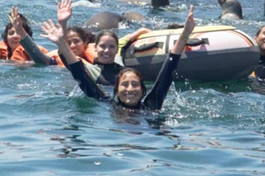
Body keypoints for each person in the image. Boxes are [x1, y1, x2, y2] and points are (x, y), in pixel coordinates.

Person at [41, 6, 196, 110]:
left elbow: (167, 71)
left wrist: (185, 35)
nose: (130, 89)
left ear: (143, 90)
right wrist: (62, 39)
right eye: (125, 85)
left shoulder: (152, 104)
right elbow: (78, 72)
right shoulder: (105, 102)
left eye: (135, 85)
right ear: (116, 89)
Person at [16, 0, 97, 65]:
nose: (72, 46)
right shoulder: (59, 61)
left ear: (85, 42)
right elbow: (39, 57)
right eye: (68, 43)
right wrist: (20, 31)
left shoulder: (98, 61)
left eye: (76, 41)